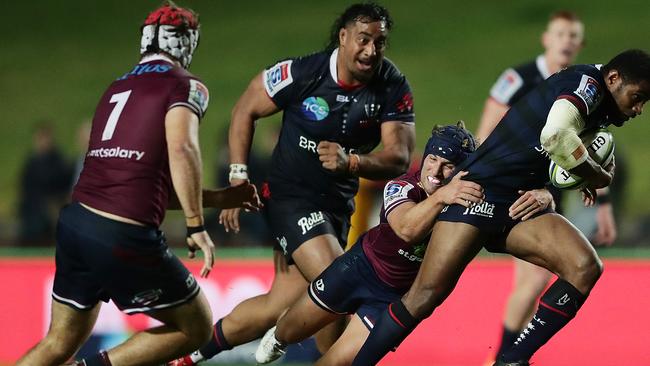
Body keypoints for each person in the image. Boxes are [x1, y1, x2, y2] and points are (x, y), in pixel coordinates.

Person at [351, 49, 650, 366]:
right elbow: (555, 136)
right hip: (479, 194)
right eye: (638, 97)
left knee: (584, 266)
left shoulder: (601, 105)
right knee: (424, 297)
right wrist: (595, 174)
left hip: (515, 205)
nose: (640, 109)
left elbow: (553, 157)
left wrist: (551, 189)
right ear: (614, 78)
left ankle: (512, 360)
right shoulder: (586, 86)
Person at [169, 3, 416, 365]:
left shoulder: (392, 86)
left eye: (380, 42)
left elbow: (399, 156)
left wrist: (354, 162)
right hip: (290, 198)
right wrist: (238, 176)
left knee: (279, 303)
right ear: (343, 37)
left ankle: (187, 356)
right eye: (364, 39)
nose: (371, 50)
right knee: (339, 284)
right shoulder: (302, 73)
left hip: (337, 207)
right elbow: (245, 110)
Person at [16, 2, 260, 365]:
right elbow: (183, 147)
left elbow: (144, 183)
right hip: (122, 234)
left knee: (58, 342)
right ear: (187, 43)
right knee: (196, 326)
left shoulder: (116, 88)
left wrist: (218, 197)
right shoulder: (186, 85)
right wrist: (196, 225)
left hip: (77, 223)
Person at [253, 123, 556, 366]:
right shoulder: (402, 186)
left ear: (462, 171)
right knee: (287, 332)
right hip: (359, 268)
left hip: (393, 299)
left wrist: (546, 196)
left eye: (448, 166)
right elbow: (405, 229)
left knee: (336, 362)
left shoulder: (470, 197)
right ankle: (277, 336)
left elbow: (516, 198)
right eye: (432, 160)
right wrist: (441, 198)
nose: (435, 173)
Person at [475, 11, 617, 359]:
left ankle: (505, 355)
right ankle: (505, 356)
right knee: (535, 279)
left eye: (574, 36)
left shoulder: (587, 88)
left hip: (548, 192)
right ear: (546, 39)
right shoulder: (517, 79)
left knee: (535, 279)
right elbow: (484, 134)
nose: (567, 40)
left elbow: (594, 146)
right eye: (561, 33)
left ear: (580, 44)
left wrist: (604, 204)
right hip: (514, 187)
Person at [17, 123, 73, 246]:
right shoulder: (31, 162)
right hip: (32, 208)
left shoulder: (59, 162)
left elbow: (63, 186)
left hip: (51, 207)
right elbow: (24, 187)